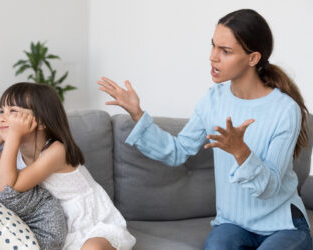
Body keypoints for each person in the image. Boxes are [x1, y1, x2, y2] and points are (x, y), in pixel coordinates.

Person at [98, 9, 312, 250]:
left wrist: (240, 152)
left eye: (225, 51)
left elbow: (269, 188)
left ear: (252, 58)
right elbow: (177, 151)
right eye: (213, 46)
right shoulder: (213, 100)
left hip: (283, 224)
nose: (213, 57)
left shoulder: (285, 110)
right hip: (233, 223)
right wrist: (137, 113)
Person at [0, 82, 136, 250]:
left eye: (12, 110)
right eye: (1, 110)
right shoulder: (14, 152)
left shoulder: (57, 150)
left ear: (41, 121)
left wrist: (12, 137)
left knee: (91, 247)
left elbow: (7, 188)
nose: (2, 117)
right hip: (55, 227)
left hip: (91, 222)